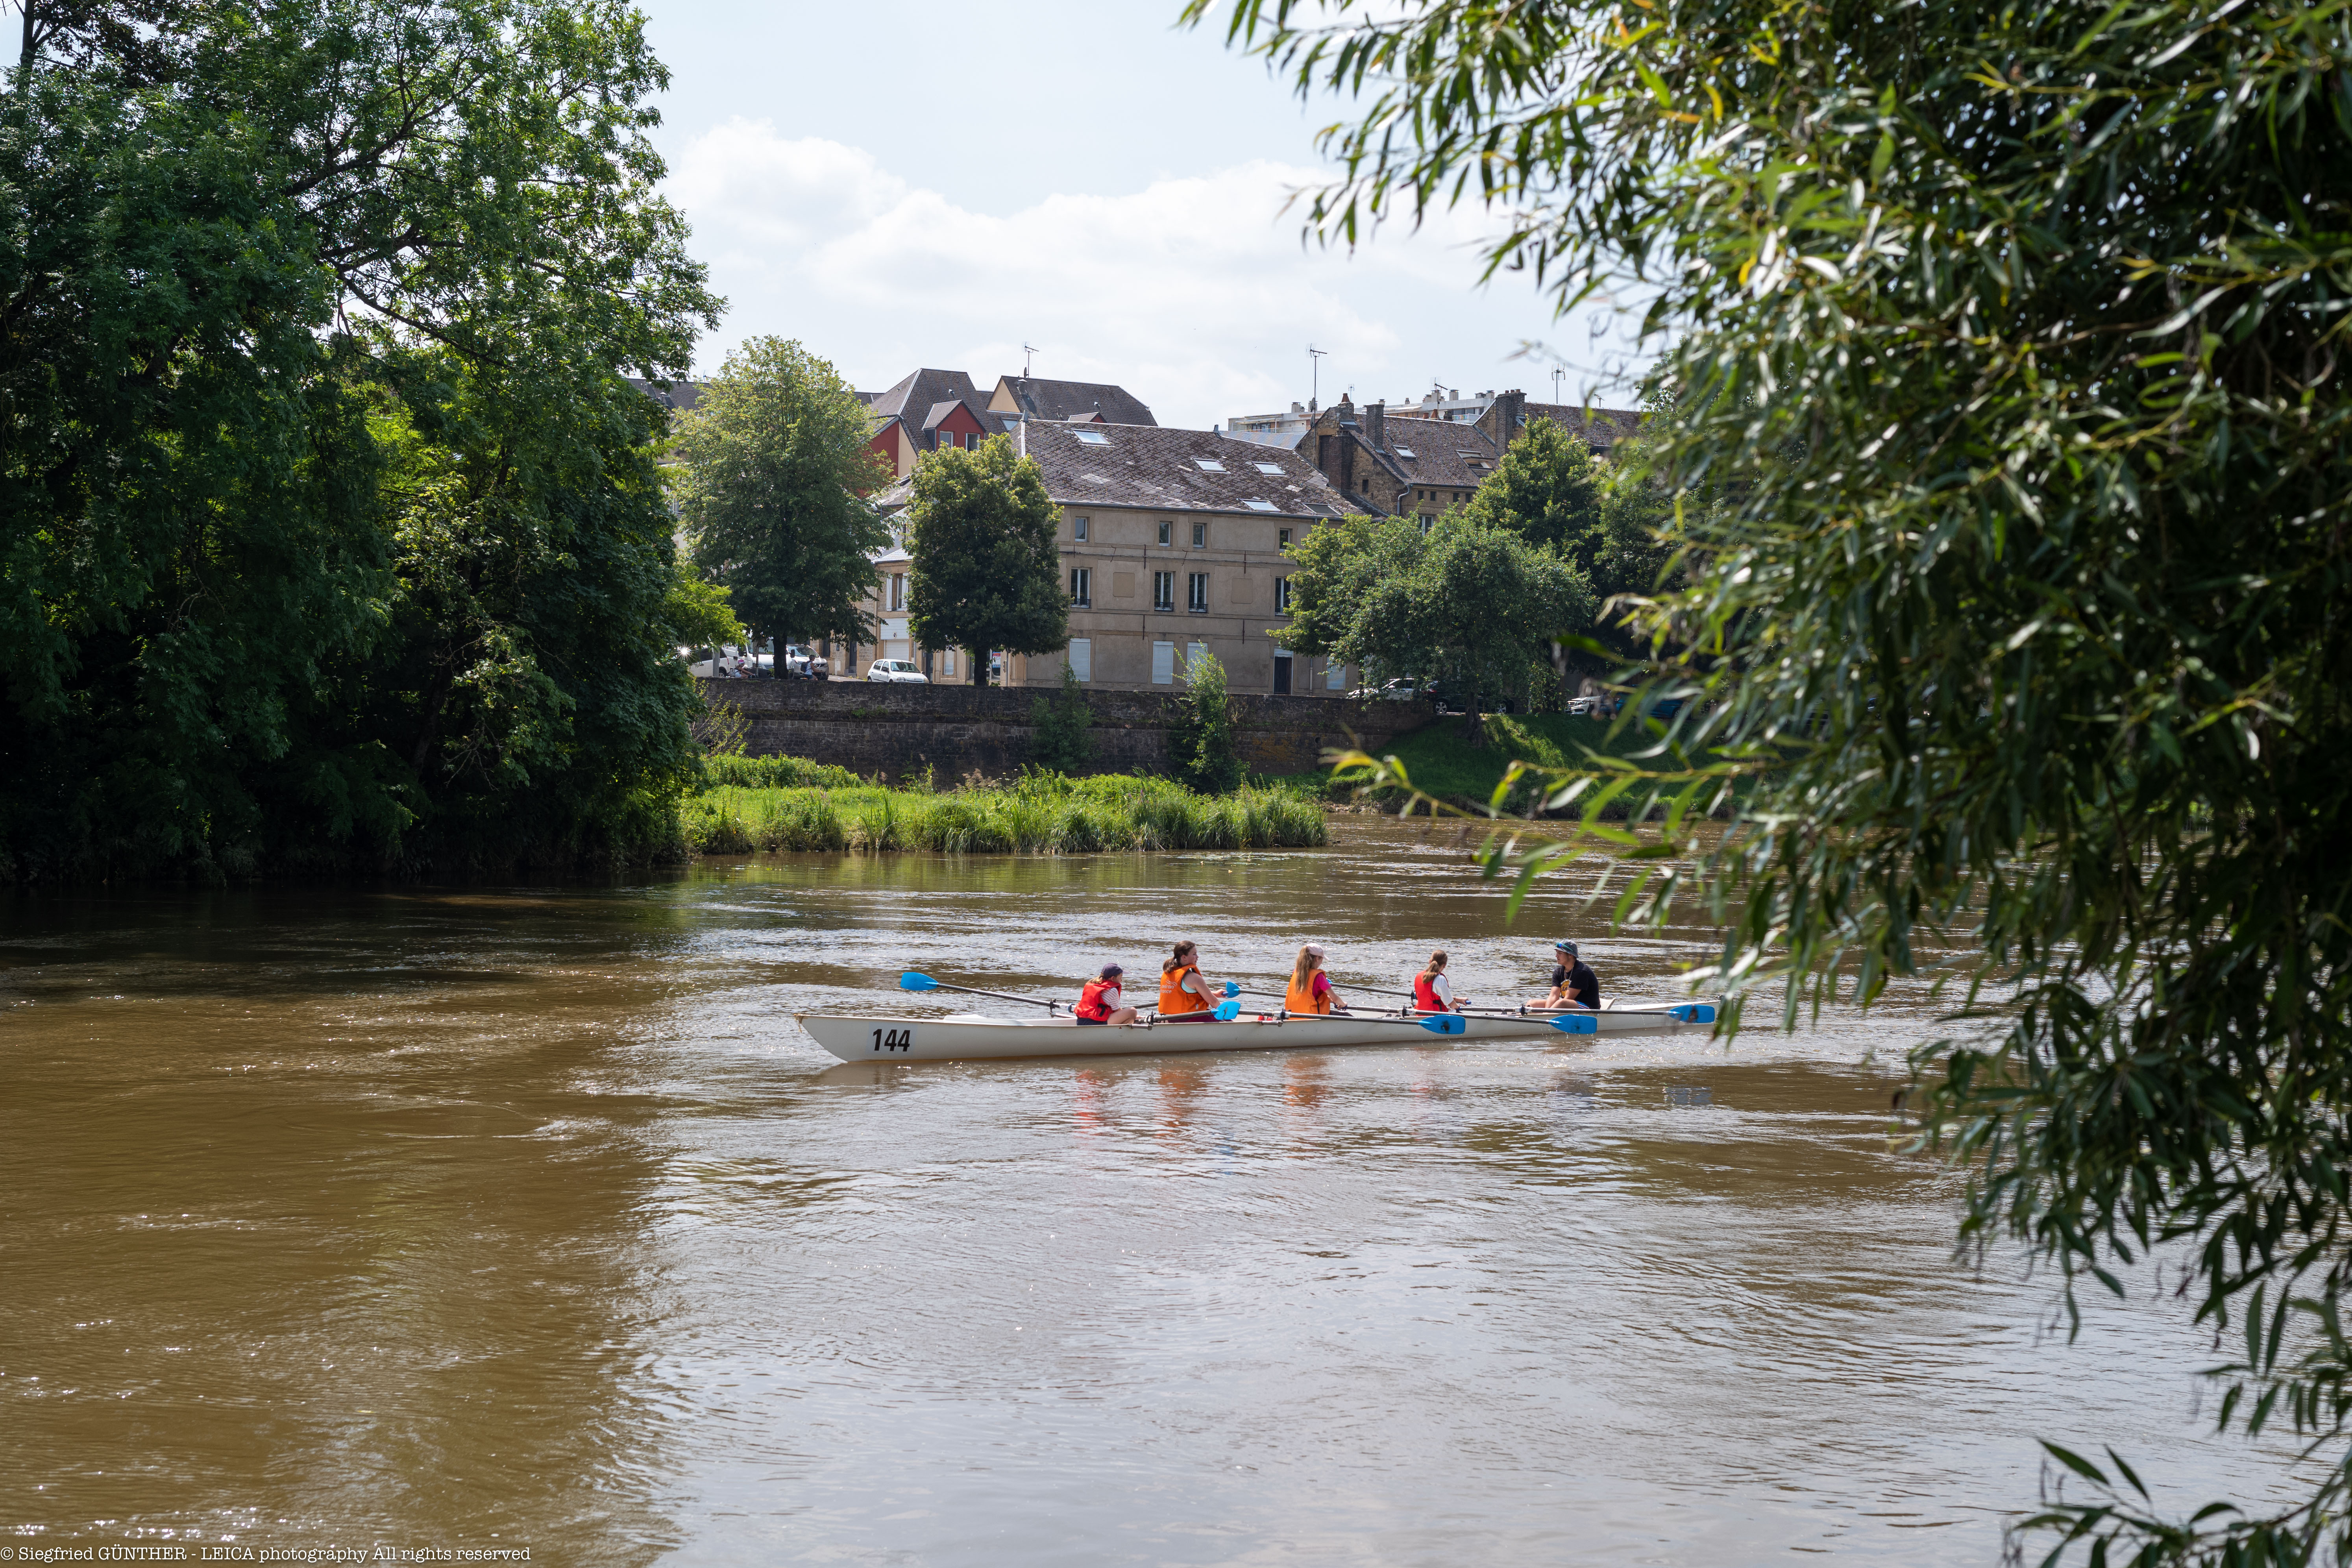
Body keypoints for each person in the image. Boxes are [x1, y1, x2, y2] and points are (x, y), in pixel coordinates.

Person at [1157, 941, 1219, 1023]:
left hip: (1169, 1018)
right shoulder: (1194, 978)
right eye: (1194, 954)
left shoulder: (1167, 973)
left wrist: (1215, 994)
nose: (1197, 957)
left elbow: (1182, 992)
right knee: (1227, 1020)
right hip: (1189, 1019)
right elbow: (1213, 1002)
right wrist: (1225, 1014)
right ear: (1184, 957)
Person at [1535, 940, 1601, 1010]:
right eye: (1557, 953)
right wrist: (1546, 1011)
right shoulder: (1558, 972)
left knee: (1562, 1003)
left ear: (1570, 955)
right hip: (1569, 1006)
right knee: (1533, 1003)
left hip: (1590, 1009)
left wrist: (1546, 1014)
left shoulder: (1582, 972)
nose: (1557, 956)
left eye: (1560, 953)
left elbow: (1568, 999)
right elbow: (1553, 996)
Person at [1285, 944, 1347, 1015]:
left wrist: (1331, 1000)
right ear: (1317, 959)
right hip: (1313, 1017)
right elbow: (1335, 998)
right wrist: (1343, 1004)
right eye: (1322, 959)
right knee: (1349, 1017)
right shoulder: (1319, 976)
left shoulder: (1297, 972)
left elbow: (1309, 997)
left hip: (1293, 1016)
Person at [1075, 963, 1137, 1027]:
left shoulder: (1092, 984)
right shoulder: (1112, 990)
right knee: (1132, 1011)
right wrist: (1135, 1016)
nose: (1122, 980)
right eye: (1121, 978)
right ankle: (1121, 1032)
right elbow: (1117, 1011)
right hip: (1095, 1023)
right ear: (1113, 978)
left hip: (1080, 1021)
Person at [1412, 949, 1466, 1013]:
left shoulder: (1419, 976)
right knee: (1460, 1014)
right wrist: (1457, 1007)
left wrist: (1458, 1000)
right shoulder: (1440, 979)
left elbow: (1434, 995)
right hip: (1436, 1015)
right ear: (1445, 965)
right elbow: (1449, 1002)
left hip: (1420, 1012)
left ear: (1430, 962)